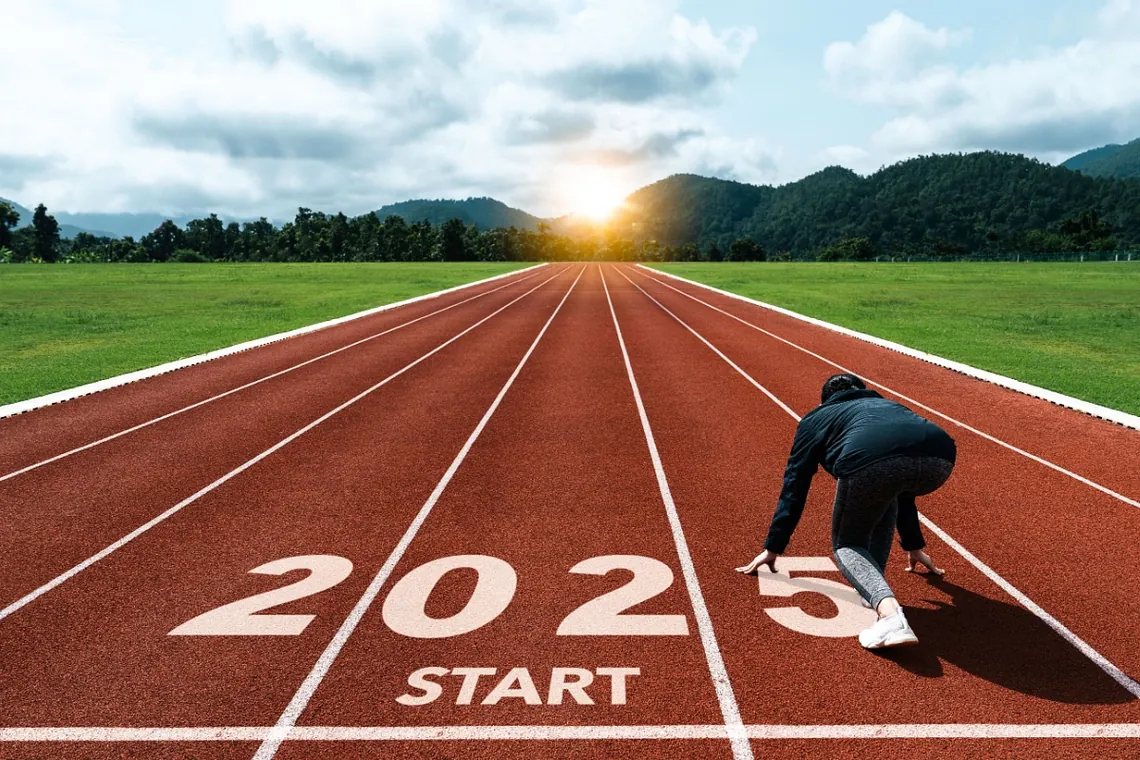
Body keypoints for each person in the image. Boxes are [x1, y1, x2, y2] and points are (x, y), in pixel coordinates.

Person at [736, 373, 956, 649]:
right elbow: (901, 485)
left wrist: (773, 547)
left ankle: (890, 617)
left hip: (869, 460)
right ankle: (873, 590)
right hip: (941, 458)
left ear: (825, 400)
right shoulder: (889, 406)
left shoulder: (816, 418)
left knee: (848, 542)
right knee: (886, 492)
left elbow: (795, 485)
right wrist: (913, 545)